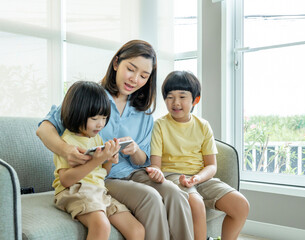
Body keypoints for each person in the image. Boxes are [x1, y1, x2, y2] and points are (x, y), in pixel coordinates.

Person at [36, 40, 194, 240]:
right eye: (131, 69)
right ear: (116, 63)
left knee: (175, 193)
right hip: (106, 177)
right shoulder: (90, 97)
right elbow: (44, 129)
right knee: (151, 198)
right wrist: (66, 150)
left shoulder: (143, 112)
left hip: (135, 173)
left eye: (144, 76)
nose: (135, 79)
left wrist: (135, 150)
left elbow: (143, 160)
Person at [146, 71, 250, 240]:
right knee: (196, 203)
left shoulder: (203, 125)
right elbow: (156, 165)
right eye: (170, 97)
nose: (176, 102)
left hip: (200, 178)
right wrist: (155, 172)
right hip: (172, 177)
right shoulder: (160, 125)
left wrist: (197, 178)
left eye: (182, 96)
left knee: (241, 205)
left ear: (195, 99)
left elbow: (211, 166)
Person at [52, 81, 144, 240]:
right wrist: (96, 160)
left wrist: (108, 160)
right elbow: (66, 180)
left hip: (98, 190)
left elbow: (103, 172)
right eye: (95, 118)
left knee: (137, 230)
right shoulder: (67, 141)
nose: (101, 124)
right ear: (77, 114)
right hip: (74, 190)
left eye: (104, 117)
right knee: (101, 225)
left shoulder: (95, 138)